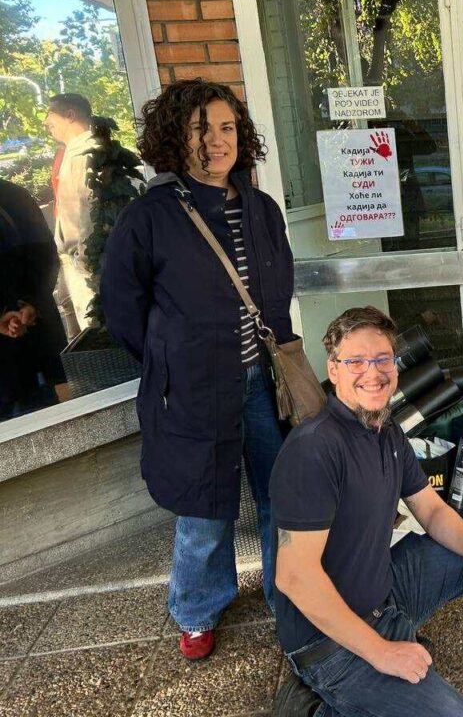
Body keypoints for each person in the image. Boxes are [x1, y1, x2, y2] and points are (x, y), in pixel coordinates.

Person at [101, 79, 296, 661]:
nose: (216, 141)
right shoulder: (149, 217)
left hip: (264, 383)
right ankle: (196, 609)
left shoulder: (261, 209)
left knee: (283, 494)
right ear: (175, 138)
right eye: (200, 129)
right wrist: (171, 360)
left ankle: (289, 592)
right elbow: (122, 309)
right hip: (194, 389)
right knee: (204, 507)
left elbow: (278, 291)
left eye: (226, 127)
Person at [271, 306, 463, 717]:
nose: (373, 372)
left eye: (383, 359)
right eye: (356, 361)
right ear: (333, 370)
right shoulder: (313, 450)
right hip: (326, 642)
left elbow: (431, 510)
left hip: (385, 590)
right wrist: (382, 652)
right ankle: (317, 704)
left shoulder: (387, 432)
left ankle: (394, 641)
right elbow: (294, 576)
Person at [0, 179, 67, 420]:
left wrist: (32, 304)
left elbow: (45, 254)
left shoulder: (13, 196)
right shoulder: (13, 195)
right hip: (32, 326)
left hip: (34, 335)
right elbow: (45, 255)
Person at [43, 93, 97, 338]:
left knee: (94, 329)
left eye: (50, 114)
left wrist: (84, 262)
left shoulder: (87, 153)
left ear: (70, 116)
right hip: (77, 260)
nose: (46, 121)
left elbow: (91, 212)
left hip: (87, 264)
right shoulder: (70, 153)